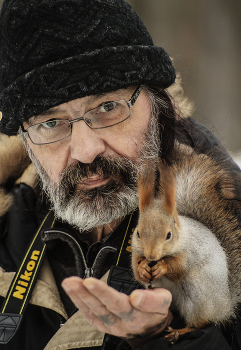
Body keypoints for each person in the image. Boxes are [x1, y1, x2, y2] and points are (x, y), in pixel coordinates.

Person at [0, 0, 240, 349]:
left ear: (158, 105)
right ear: (25, 139)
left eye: (108, 107)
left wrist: (158, 339)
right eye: (51, 123)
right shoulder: (7, 228)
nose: (85, 150)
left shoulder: (232, 225)